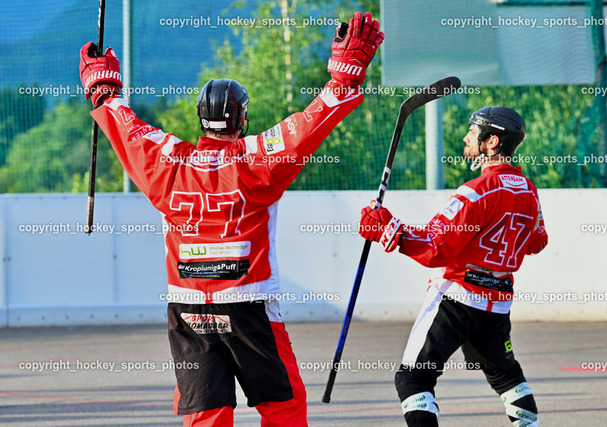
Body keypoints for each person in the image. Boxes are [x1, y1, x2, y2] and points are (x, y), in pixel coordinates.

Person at [79, 12, 383, 427]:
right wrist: (343, 80)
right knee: (284, 408)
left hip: (187, 309)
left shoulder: (167, 162)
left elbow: (130, 131)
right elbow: (307, 126)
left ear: (200, 118)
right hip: (248, 307)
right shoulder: (256, 159)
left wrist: (103, 91)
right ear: (242, 119)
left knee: (206, 415)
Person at [359, 106, 548, 427]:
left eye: (473, 133)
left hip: (457, 298)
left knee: (413, 379)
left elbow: (435, 249)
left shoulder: (475, 191)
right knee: (507, 378)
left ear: (492, 141)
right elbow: (537, 242)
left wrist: (387, 229)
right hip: (497, 303)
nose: (465, 138)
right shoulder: (529, 190)